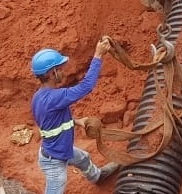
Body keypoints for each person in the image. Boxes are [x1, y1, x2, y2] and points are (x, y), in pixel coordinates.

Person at [31, 37, 120, 192]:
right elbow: (86, 86)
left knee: (83, 158)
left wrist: (76, 122)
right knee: (56, 188)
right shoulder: (55, 97)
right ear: (53, 73)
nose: (63, 72)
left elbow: (52, 122)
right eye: (60, 69)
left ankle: (97, 176)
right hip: (54, 160)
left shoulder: (39, 96)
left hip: (58, 149)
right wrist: (98, 55)